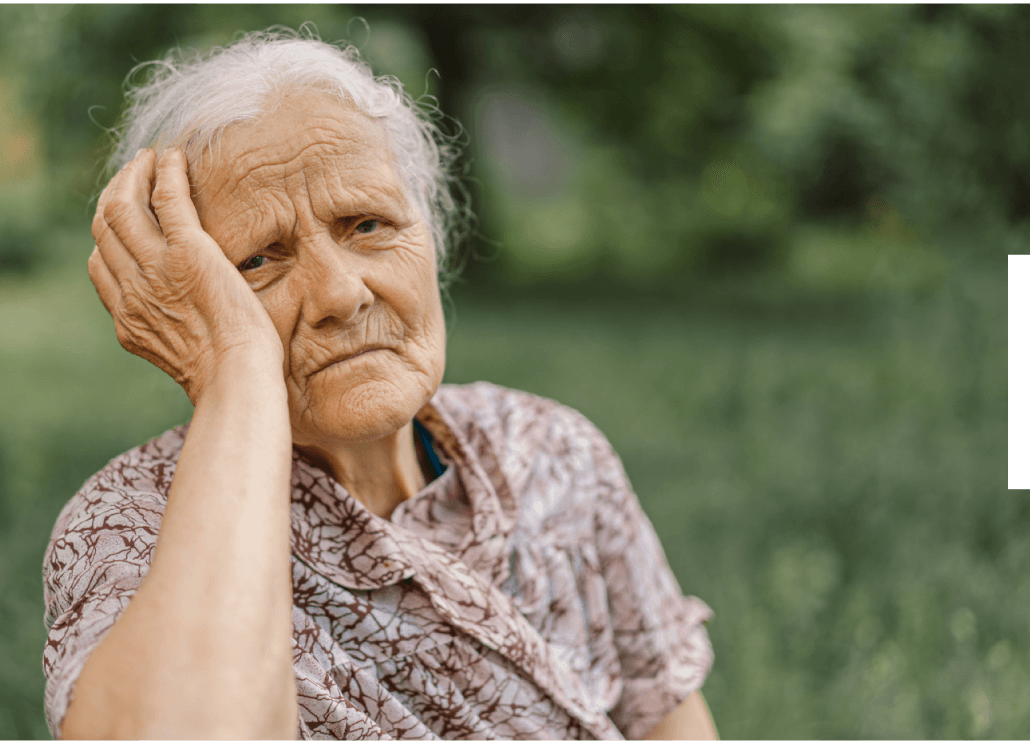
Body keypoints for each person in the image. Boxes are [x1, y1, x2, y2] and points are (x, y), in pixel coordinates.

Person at [43, 28, 717, 741]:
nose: (339, 293)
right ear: (180, 299)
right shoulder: (130, 525)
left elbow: (671, 724)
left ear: (432, 235)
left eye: (367, 224)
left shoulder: (551, 451)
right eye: (257, 262)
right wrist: (237, 371)